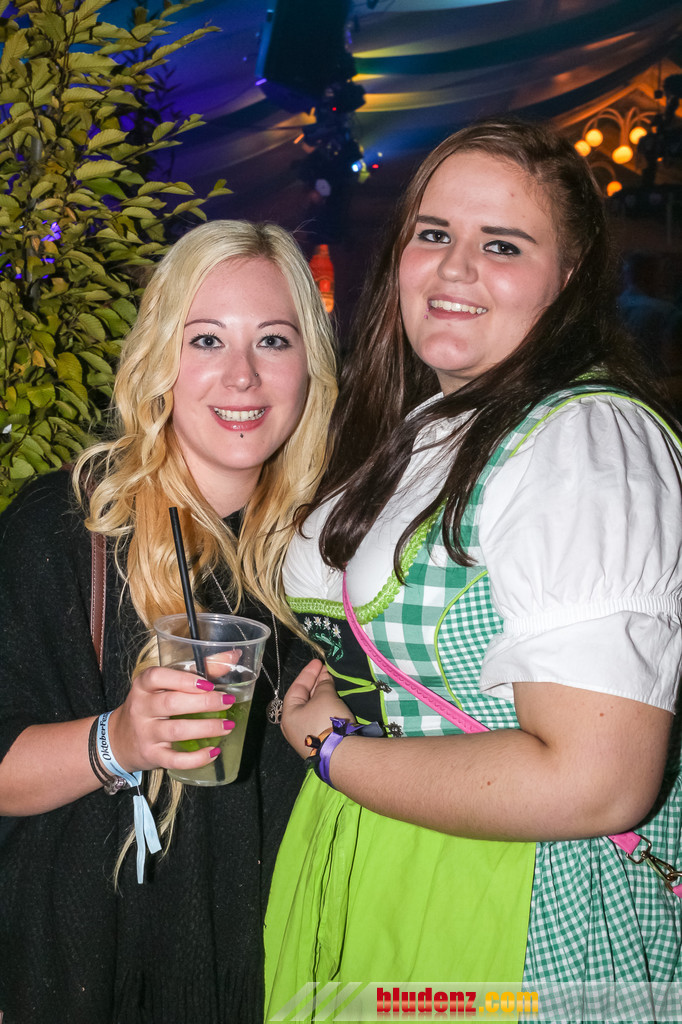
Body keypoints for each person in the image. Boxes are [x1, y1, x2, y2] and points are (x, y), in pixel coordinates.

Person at [264, 118, 682, 1021]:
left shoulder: (584, 442)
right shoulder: (432, 422)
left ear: (567, 277)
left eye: (502, 245)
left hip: (502, 890)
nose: (455, 269)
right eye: (434, 234)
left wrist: (335, 751)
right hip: (378, 853)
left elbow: (596, 781)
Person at [0, 219, 336, 1024]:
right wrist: (118, 739)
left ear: (311, 366)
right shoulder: (66, 527)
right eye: (207, 339)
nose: (243, 376)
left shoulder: (333, 550)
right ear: (160, 358)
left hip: (279, 969)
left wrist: (334, 733)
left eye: (274, 341)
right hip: (96, 975)